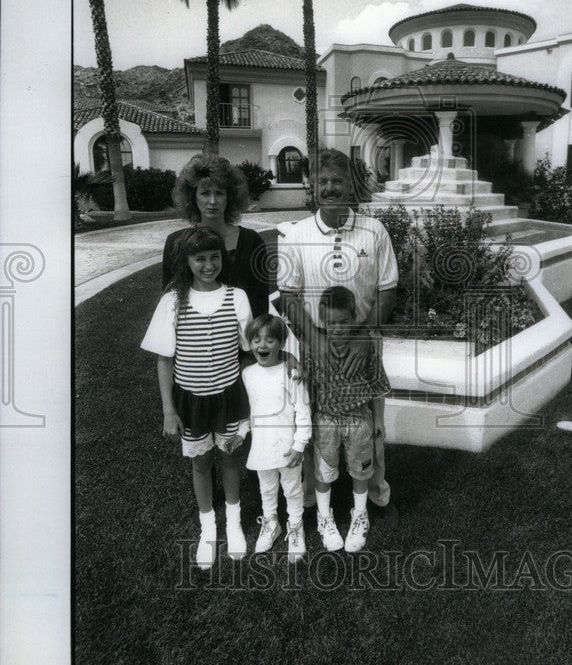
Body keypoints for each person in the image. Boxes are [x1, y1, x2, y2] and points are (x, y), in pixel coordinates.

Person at [279, 148, 398, 512]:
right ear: (313, 187)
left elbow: (388, 288)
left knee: (369, 426)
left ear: (351, 186)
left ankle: (375, 491)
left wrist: (363, 337)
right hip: (316, 347)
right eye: (323, 181)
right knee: (316, 420)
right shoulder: (297, 234)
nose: (330, 188)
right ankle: (316, 497)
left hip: (363, 344)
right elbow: (287, 295)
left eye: (338, 181)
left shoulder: (374, 230)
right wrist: (315, 343)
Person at [141, 226, 252, 569]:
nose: (208, 265)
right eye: (200, 258)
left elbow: (249, 352)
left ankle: (233, 525)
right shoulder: (173, 300)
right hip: (191, 401)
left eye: (214, 257)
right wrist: (168, 411)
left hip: (229, 397)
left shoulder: (237, 297)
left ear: (223, 259)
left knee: (231, 458)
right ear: (186, 261)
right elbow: (164, 360)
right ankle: (209, 530)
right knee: (201, 462)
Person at [307, 286, 390, 552]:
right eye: (331, 323)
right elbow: (307, 390)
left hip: (358, 420)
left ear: (354, 319)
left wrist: (378, 420)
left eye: (344, 322)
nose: (338, 328)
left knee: (360, 470)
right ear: (322, 322)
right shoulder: (315, 350)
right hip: (325, 420)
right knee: (323, 471)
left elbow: (378, 387)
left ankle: (360, 514)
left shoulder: (365, 349)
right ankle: (324, 517)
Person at [238, 313, 312, 563]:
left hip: (288, 447)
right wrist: (241, 434)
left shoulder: (291, 373)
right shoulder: (247, 374)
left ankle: (295, 526)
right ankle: (271, 523)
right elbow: (249, 410)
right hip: (261, 447)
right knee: (267, 488)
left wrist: (300, 444)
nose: (262, 346)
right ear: (249, 344)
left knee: (292, 488)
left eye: (270, 340)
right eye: (256, 340)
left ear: (281, 344)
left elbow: (303, 410)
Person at [162, 154, 273, 318]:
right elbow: (169, 303)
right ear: (193, 197)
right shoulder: (175, 243)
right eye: (205, 193)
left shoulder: (252, 242)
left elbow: (260, 308)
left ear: (230, 197)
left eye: (219, 193)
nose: (212, 201)